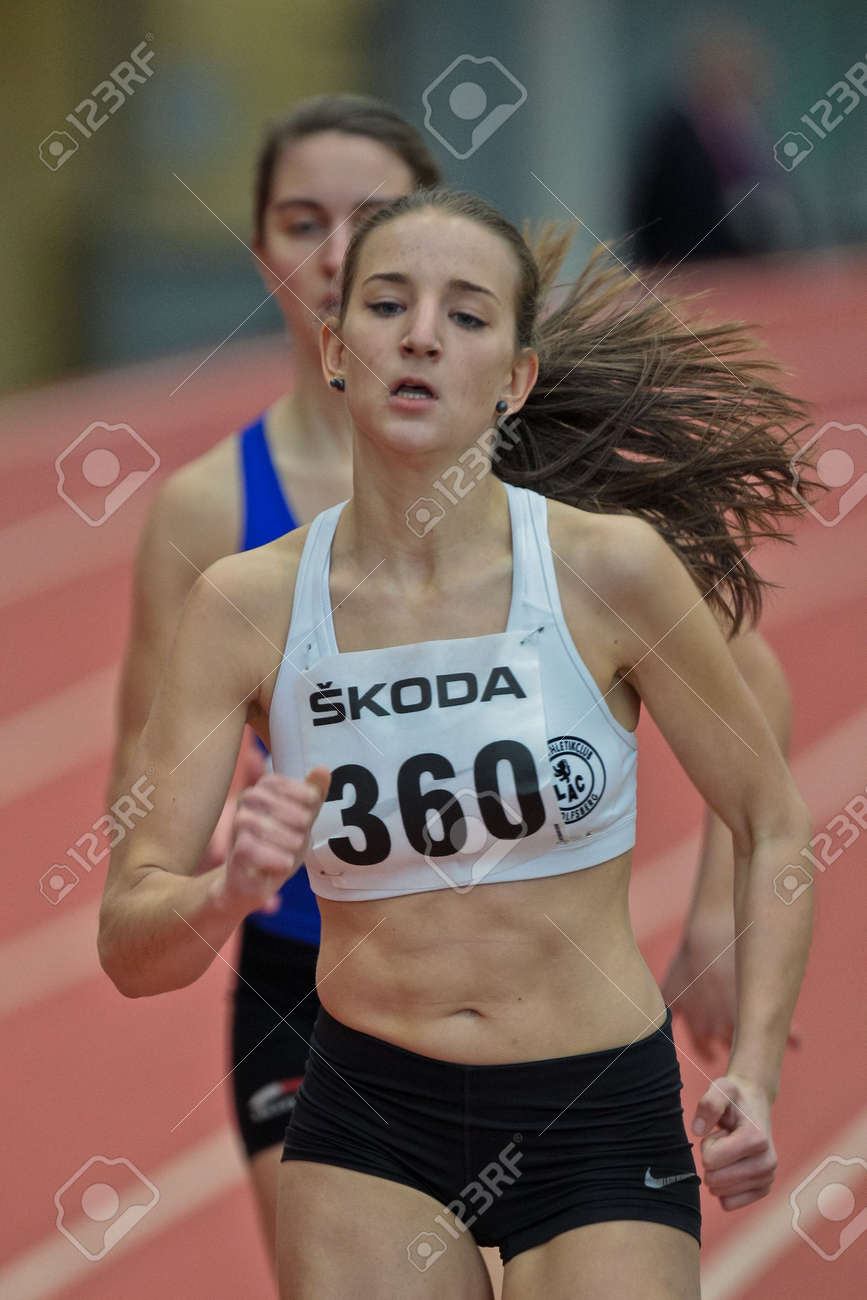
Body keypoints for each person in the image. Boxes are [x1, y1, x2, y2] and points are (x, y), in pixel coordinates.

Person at [99, 186, 815, 1298]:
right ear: (336, 349)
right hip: (371, 1118)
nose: (423, 333)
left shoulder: (606, 571)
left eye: (469, 314)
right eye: (388, 304)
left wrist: (756, 1075)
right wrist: (225, 889)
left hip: (592, 1108)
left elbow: (771, 818)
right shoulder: (246, 606)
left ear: (515, 378)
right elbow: (126, 940)